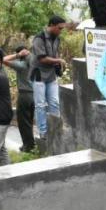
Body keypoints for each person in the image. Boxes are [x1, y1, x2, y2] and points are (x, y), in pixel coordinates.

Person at [29, 16, 69, 154]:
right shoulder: (39, 38)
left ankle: (56, 129)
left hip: (51, 75)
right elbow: (42, 58)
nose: (61, 31)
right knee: (40, 104)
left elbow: (55, 54)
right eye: (59, 28)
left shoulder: (57, 39)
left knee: (54, 103)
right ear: (51, 25)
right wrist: (58, 60)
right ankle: (44, 132)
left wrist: (58, 64)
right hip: (39, 74)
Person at [3, 45, 36, 153]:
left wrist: (17, 55)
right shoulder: (35, 60)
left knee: (23, 122)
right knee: (30, 121)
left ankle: (28, 146)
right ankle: (31, 144)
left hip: (25, 95)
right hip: (37, 94)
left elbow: (3, 60)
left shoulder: (22, 65)